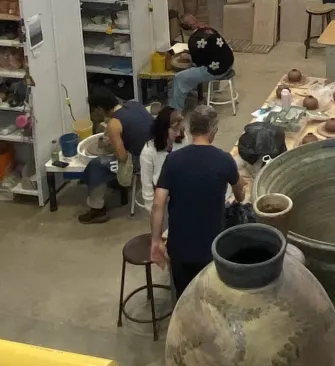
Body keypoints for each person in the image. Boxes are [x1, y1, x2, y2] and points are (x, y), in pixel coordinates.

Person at [150, 107, 243, 296]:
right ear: (213, 130)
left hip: (180, 249)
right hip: (211, 250)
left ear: (191, 129)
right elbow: (240, 194)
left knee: (185, 297)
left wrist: (156, 240)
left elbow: (158, 203)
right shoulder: (224, 160)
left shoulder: (173, 160)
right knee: (210, 297)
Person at [78, 87, 154, 225]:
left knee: (96, 165)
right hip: (157, 151)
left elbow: (123, 157)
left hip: (143, 161)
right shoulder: (134, 104)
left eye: (93, 111)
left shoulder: (114, 124)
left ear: (100, 109)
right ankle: (115, 184)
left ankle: (97, 210)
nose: (93, 115)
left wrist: (113, 144)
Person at [168, 25, 235, 111]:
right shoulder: (209, 30)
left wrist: (189, 57)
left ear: (185, 31)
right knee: (189, 74)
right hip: (228, 63)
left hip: (217, 70)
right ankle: (188, 93)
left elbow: (197, 62)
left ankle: (176, 110)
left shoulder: (194, 40)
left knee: (179, 78)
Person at [138, 106, 185, 212]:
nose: (178, 134)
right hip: (162, 198)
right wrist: (153, 211)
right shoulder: (148, 152)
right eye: (174, 130)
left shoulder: (182, 139)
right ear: (163, 129)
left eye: (180, 129)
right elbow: (147, 187)